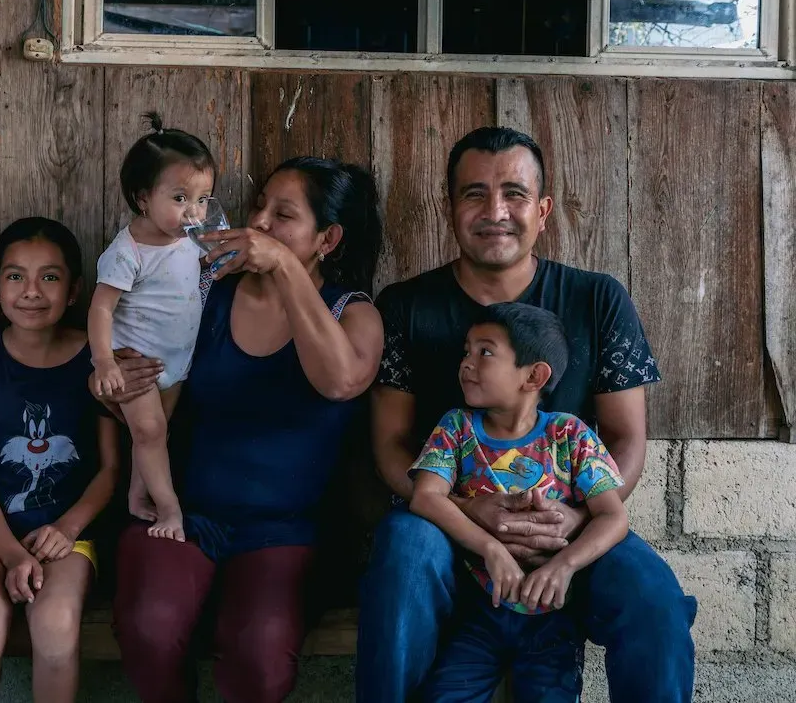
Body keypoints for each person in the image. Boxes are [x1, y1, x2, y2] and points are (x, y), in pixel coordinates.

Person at [358, 126, 697, 703]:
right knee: (402, 556)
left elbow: (624, 438)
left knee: (654, 600)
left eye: (514, 193)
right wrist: (468, 510)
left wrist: (574, 519)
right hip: (444, 528)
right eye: (474, 194)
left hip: (567, 528)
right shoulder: (406, 306)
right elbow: (391, 444)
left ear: (542, 210)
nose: (495, 211)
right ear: (450, 208)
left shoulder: (597, 299)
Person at [105, 157, 385, 703]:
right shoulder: (207, 291)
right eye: (259, 207)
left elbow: (341, 381)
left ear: (327, 238)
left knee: (260, 655)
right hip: (184, 517)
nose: (257, 223)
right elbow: (152, 396)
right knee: (149, 625)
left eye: (283, 216)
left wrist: (283, 268)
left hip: (287, 532)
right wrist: (114, 388)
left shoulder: (353, 313)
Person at [411, 303, 628, 702]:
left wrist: (565, 566)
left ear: (534, 375)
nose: (466, 364)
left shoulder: (569, 434)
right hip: (477, 608)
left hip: (553, 617)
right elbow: (426, 497)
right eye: (466, 351)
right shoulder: (457, 428)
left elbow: (613, 516)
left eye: (485, 352)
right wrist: (489, 547)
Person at [0, 217, 119, 703]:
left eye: (50, 276)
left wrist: (65, 531)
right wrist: (11, 553)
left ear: (74, 290)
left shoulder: (96, 360)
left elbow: (110, 470)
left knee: (56, 631)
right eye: (15, 276)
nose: (31, 291)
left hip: (70, 535)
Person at [88, 112, 215, 542]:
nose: (194, 211)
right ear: (143, 198)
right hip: (136, 361)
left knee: (155, 436)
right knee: (149, 432)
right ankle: (170, 510)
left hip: (177, 361)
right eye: (180, 198)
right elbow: (101, 309)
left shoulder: (191, 237)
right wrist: (104, 361)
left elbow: (199, 271)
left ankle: (137, 495)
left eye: (202, 199)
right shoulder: (127, 253)